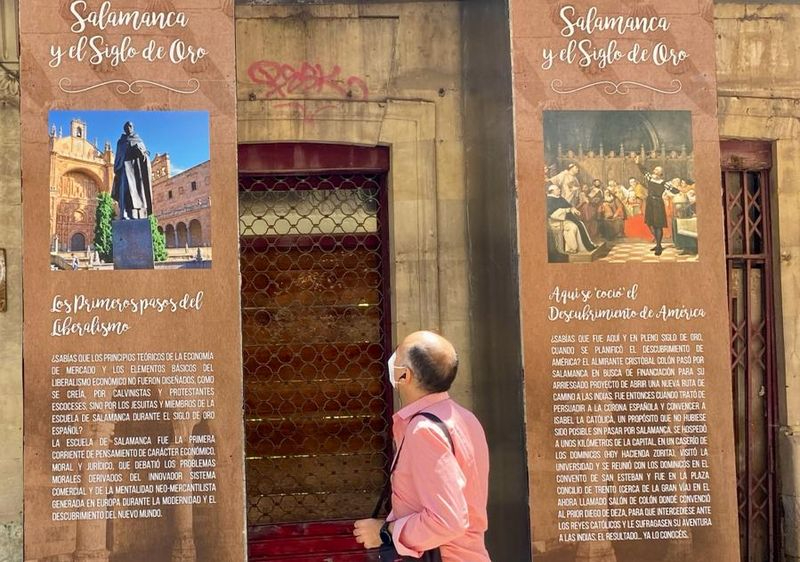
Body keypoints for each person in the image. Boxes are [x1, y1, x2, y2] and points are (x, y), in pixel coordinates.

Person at [353, 331, 491, 561]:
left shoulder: (424, 430)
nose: (392, 359)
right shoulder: (466, 418)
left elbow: (448, 521)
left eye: (397, 355)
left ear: (405, 375)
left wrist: (385, 532)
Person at [635, 156, 680, 256]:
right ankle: (657, 242)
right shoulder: (650, 178)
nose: (654, 171)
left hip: (658, 203)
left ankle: (659, 246)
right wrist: (638, 163)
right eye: (654, 170)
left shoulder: (664, 183)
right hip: (650, 202)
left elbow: (675, 190)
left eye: (656, 170)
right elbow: (644, 171)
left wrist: (679, 189)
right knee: (649, 223)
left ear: (660, 173)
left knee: (658, 225)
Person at [111, 121, 153, 220]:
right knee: (125, 191)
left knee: (136, 193)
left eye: (130, 126)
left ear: (133, 127)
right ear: (124, 129)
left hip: (136, 170)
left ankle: (138, 215)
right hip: (125, 168)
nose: (129, 128)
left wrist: (141, 153)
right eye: (127, 126)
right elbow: (118, 156)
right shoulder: (121, 141)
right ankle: (124, 213)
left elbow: (145, 155)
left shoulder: (139, 140)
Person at [546, 185, 596, 254]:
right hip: (556, 221)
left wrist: (574, 209)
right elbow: (552, 214)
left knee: (580, 223)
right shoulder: (549, 200)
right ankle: (571, 249)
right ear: (552, 191)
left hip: (564, 219)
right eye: (557, 189)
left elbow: (569, 206)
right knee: (573, 227)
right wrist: (567, 210)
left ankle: (583, 246)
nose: (559, 190)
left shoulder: (560, 198)